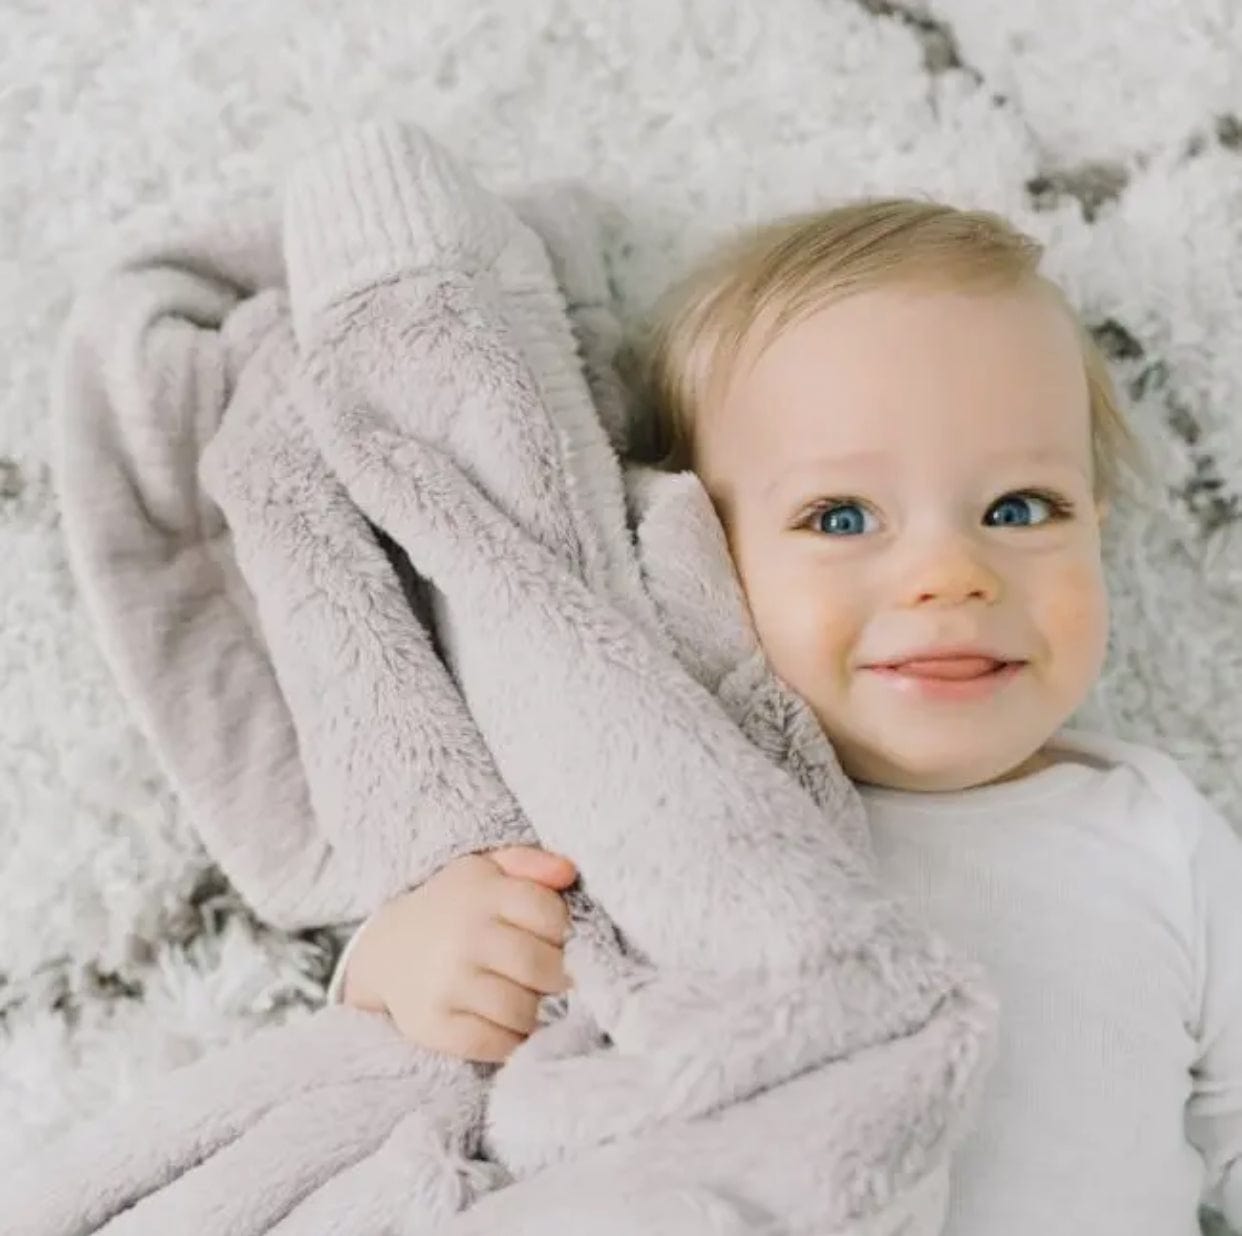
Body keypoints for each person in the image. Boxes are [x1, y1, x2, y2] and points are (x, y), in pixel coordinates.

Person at [332, 197, 1242, 1233]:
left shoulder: (1153, 832)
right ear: (689, 550)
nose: (952, 573)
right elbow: (414, 1083)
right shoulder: (646, 807)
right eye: (841, 517)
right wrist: (402, 961)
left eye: (1020, 509)